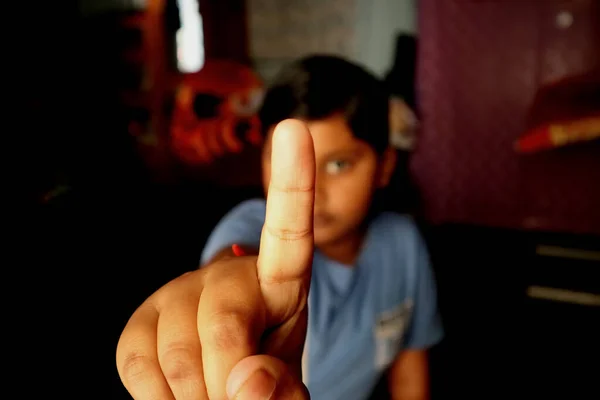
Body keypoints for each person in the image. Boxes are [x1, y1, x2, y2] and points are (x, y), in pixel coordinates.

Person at [116, 55, 443, 400]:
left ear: (385, 166)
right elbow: (235, 261)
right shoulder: (250, 224)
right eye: (284, 158)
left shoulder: (404, 244)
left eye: (339, 163)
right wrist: (228, 284)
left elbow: (409, 366)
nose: (314, 188)